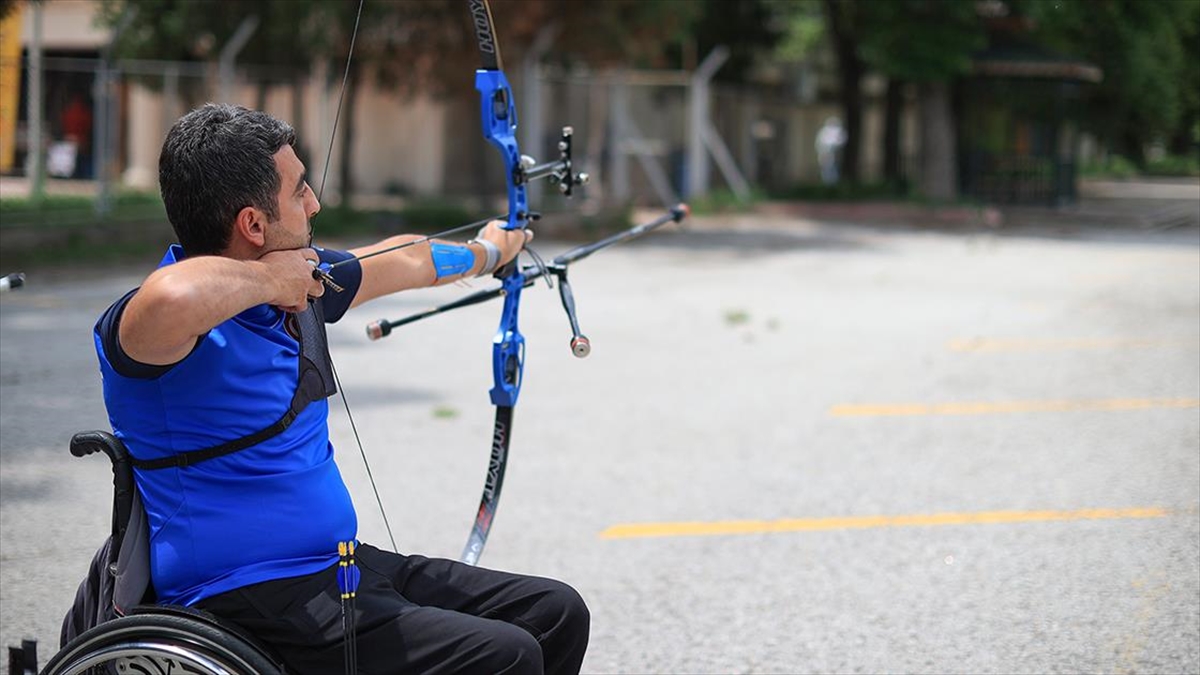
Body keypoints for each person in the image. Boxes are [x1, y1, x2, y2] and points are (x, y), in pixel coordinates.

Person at [92, 103, 590, 674]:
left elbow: (406, 259)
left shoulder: (304, 282)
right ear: (253, 225)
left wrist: (487, 251)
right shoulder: (154, 329)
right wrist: (271, 278)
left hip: (336, 569)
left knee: (554, 613)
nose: (314, 204)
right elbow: (171, 298)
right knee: (505, 656)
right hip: (246, 597)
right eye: (299, 191)